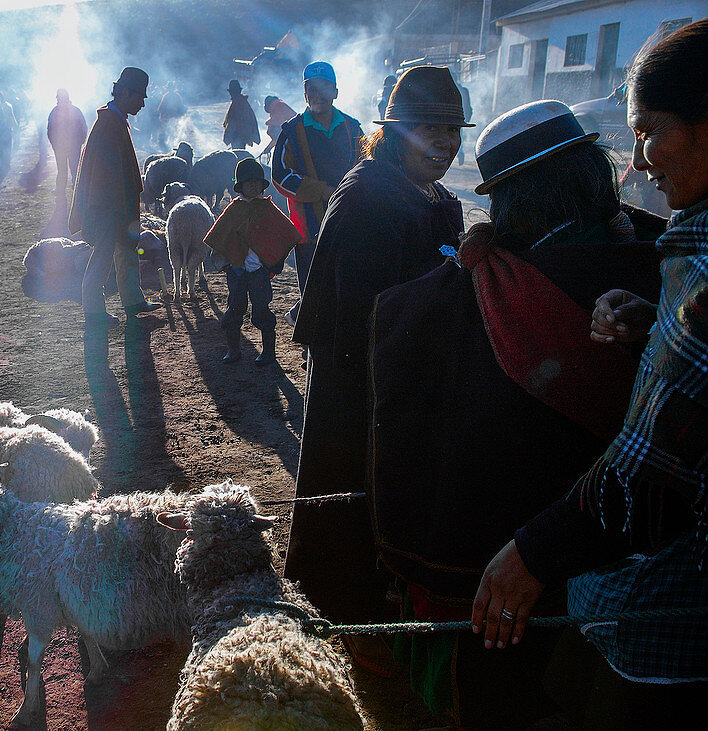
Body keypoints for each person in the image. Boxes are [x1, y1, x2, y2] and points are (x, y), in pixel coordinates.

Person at [369, 99, 665, 728]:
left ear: (510, 205)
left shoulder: (460, 303)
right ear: (593, 170)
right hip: (641, 572)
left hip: (507, 577)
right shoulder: (666, 263)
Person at [472, 20, 708, 727]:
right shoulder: (673, 251)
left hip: (669, 619)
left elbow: (653, 468)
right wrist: (656, 325)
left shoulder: (696, 261)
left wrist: (531, 552)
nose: (637, 160)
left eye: (653, 130)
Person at [284, 66, 471, 674]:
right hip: (357, 380)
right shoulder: (366, 199)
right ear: (395, 131)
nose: (444, 145)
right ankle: (349, 620)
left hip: (410, 378)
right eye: (429, 130)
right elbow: (356, 315)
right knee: (351, 494)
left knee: (397, 497)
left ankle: (386, 605)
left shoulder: (441, 203)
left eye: (452, 131)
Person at [271, 61, 364, 327]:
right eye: (311, 89)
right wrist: (321, 190)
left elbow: (368, 166)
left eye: (324, 88)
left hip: (348, 219)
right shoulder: (292, 130)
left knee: (344, 281)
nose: (318, 95)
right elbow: (280, 175)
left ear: (335, 92)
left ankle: (305, 321)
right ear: (304, 94)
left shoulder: (352, 128)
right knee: (312, 285)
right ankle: (311, 348)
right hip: (309, 224)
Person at [69, 66, 162, 331]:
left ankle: (133, 301)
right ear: (124, 93)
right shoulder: (109, 124)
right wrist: (110, 212)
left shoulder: (115, 120)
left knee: (126, 253)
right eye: (139, 97)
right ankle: (94, 312)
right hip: (108, 208)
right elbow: (103, 175)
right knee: (102, 257)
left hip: (117, 206)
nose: (143, 103)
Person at [203, 157, 301, 364]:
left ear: (262, 185)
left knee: (262, 309)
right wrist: (227, 265)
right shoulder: (233, 209)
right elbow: (219, 237)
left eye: (257, 182)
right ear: (240, 186)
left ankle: (268, 353)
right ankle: (234, 350)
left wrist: (272, 262)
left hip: (259, 272)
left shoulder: (268, 209)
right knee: (234, 308)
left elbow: (287, 233)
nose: (254, 185)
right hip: (237, 271)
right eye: (249, 182)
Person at [47, 88, 87, 195]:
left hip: (69, 145)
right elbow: (50, 130)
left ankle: (76, 188)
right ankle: (71, 188)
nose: (57, 100)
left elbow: (83, 128)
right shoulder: (73, 110)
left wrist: (80, 141)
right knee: (65, 168)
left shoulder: (57, 111)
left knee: (71, 168)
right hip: (65, 145)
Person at [222, 79, 260, 150]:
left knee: (238, 154)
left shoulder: (238, 102)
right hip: (241, 134)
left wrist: (229, 136)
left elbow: (233, 121)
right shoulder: (241, 101)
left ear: (233, 92)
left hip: (238, 135)